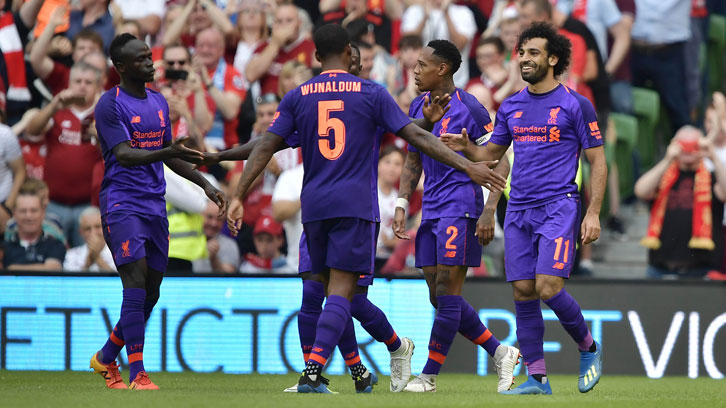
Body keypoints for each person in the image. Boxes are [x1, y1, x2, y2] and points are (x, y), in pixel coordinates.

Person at [226, 23, 506, 394]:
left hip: (397, 205)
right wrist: (429, 182)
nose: (415, 70)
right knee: (336, 295)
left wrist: (235, 190)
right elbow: (415, 140)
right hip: (348, 207)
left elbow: (264, 144)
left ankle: (326, 373)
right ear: (345, 51)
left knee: (357, 293)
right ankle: (391, 351)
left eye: (422, 64)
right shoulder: (373, 95)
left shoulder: (299, 95)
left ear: (315, 55)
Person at [441, 22, 608, 394]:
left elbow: (598, 162)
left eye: (533, 53)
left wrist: (593, 212)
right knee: (523, 291)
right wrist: (467, 148)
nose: (524, 59)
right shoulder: (511, 106)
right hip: (517, 211)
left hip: (558, 207)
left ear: (553, 58)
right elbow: (492, 154)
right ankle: (537, 377)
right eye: (521, 53)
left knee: (548, 287)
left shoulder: (575, 104)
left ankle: (589, 347)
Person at [88, 33, 226, 391]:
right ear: (121, 68)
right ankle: (138, 374)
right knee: (134, 283)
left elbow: (171, 154)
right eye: (142, 59)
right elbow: (124, 154)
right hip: (122, 203)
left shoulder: (159, 101)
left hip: (154, 204)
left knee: (151, 293)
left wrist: (207, 186)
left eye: (150, 57)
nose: (151, 64)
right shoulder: (109, 104)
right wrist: (166, 154)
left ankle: (105, 358)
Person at [392, 39, 519, 394]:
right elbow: (414, 158)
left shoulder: (471, 108)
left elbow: (501, 158)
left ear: (442, 69)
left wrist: (490, 209)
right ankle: (501, 351)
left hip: (461, 206)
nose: (415, 71)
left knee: (448, 292)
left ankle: (428, 376)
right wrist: (403, 203)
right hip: (430, 209)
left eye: (421, 65)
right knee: (438, 296)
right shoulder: (419, 105)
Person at [25, 61, 104, 247]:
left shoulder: (104, 114)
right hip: (54, 203)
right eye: (78, 81)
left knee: (84, 260)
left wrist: (100, 135)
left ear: (98, 86)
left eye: (88, 82)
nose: (82, 86)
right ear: (69, 84)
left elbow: (116, 155)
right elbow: (32, 130)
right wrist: (53, 105)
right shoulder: (58, 111)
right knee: (51, 255)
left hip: (89, 205)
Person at [634, 126, 725, 279]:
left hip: (701, 270)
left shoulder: (711, 177)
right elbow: (641, 191)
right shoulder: (663, 176)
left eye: (693, 145)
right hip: (660, 268)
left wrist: (713, 156)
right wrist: (668, 159)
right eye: (683, 145)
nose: (688, 151)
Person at [3, 186, 66, 271]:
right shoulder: (4, 248)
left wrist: (11, 269)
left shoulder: (55, 245)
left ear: (43, 213)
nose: (28, 216)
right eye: (23, 211)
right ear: (15, 214)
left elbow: (52, 270)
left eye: (34, 210)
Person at [63, 206, 115, 272]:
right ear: (80, 232)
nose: (93, 233)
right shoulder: (71, 255)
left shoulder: (118, 252)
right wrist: (87, 265)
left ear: (105, 228)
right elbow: (71, 281)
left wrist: (97, 257)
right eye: (87, 229)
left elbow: (120, 280)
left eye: (97, 226)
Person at [193, 201, 240, 273]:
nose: (214, 223)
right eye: (209, 217)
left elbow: (229, 277)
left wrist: (214, 258)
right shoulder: (187, 240)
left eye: (219, 219)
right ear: (199, 216)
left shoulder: (229, 245)